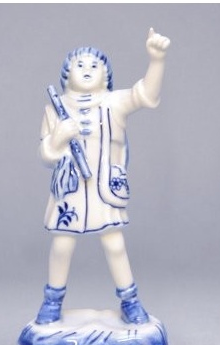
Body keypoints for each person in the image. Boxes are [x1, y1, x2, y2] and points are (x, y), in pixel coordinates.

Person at [35, 28, 170, 325]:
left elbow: (146, 95)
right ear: (66, 73)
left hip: (103, 187)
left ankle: (130, 301)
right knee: (62, 245)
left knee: (114, 244)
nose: (87, 69)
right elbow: (45, 154)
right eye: (79, 64)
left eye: (95, 65)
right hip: (70, 190)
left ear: (106, 75)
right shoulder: (54, 109)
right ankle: (52, 302)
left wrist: (156, 59)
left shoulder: (114, 102)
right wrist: (58, 138)